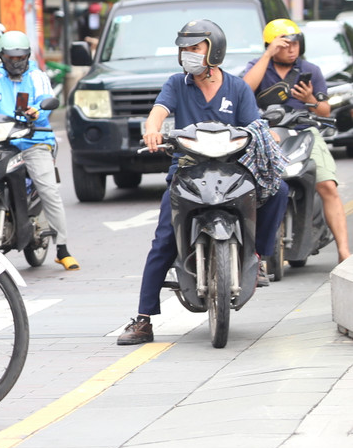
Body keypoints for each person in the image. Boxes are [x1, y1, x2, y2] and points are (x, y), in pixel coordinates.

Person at [116, 19, 288, 345]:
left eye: (195, 48)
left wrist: (267, 136)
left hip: (233, 170)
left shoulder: (236, 88)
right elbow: (158, 111)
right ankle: (143, 319)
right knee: (163, 240)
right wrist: (152, 128)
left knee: (280, 190)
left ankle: (259, 257)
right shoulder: (177, 84)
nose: (188, 55)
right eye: (184, 49)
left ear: (213, 51)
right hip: (187, 169)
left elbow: (254, 126)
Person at [0, 30, 77, 269]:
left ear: (27, 56)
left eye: (20, 57)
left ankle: (62, 248)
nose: (16, 62)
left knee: (48, 190)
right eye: (11, 58)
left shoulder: (37, 76)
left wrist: (38, 110)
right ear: (2, 57)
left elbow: (46, 98)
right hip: (2, 143)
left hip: (35, 142)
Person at [240, 19, 350, 263]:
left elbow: (324, 111)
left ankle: (344, 251)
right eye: (285, 44)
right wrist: (267, 56)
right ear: (271, 45)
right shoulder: (257, 66)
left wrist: (310, 99)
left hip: (305, 133)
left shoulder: (310, 70)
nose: (292, 49)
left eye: (295, 43)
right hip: (267, 135)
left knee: (328, 186)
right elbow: (244, 90)